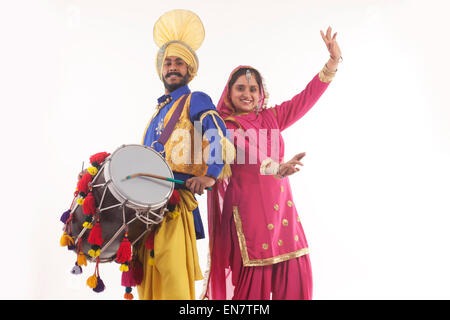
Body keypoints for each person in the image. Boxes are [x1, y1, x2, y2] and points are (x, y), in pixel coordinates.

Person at [204, 27, 342, 300]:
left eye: (253, 89)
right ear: (229, 93)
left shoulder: (272, 118)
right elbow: (249, 150)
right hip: (247, 213)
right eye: (240, 88)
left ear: (261, 93)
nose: (247, 94)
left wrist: (333, 62)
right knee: (253, 283)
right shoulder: (223, 126)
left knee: (297, 275)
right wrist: (276, 168)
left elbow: (306, 98)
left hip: (282, 213)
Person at [135, 9, 233, 300]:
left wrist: (211, 175)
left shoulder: (196, 98)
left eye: (179, 62)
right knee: (148, 283)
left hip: (176, 203)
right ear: (161, 70)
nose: (173, 67)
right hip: (146, 206)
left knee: (174, 280)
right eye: (168, 62)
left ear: (189, 70)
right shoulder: (158, 112)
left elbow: (217, 132)